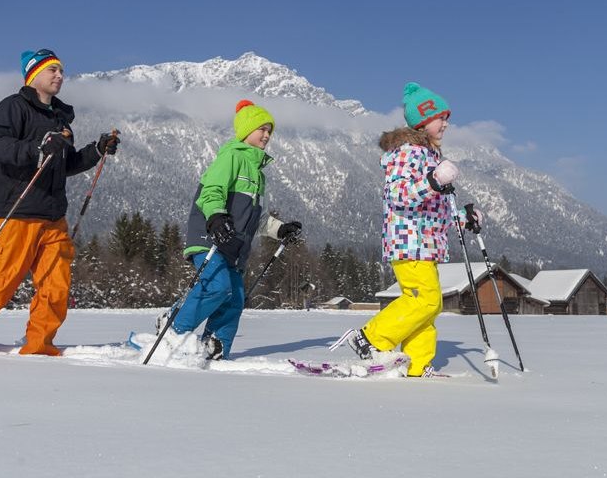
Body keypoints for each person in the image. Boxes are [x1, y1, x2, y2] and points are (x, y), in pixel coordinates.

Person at [0, 48, 120, 355]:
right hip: (16, 214)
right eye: (52, 70)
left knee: (55, 288)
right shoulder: (13, 107)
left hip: (53, 218)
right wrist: (37, 148)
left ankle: (39, 349)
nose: (60, 75)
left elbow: (63, 164)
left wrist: (96, 150)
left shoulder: (60, 118)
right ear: (33, 75)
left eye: (61, 71)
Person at [335, 82, 481, 377]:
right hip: (409, 240)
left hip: (426, 242)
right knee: (425, 300)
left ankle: (416, 365)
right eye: (442, 118)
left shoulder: (430, 156)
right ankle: (371, 338)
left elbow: (437, 206)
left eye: (447, 118)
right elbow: (398, 195)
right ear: (424, 120)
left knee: (428, 307)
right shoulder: (407, 153)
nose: (446, 125)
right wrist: (434, 182)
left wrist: (464, 219)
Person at [163, 99, 301, 360]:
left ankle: (214, 348)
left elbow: (257, 219)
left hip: (234, 248)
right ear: (246, 129)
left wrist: (281, 230)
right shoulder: (232, 156)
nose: (267, 135)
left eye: (270, 130)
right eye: (262, 128)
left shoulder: (259, 175)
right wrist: (215, 217)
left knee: (234, 298)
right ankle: (172, 330)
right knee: (217, 286)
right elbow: (211, 192)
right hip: (210, 237)